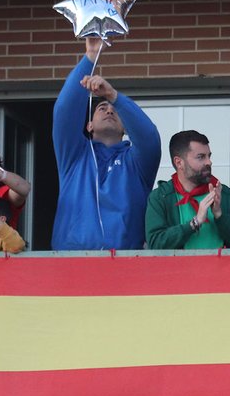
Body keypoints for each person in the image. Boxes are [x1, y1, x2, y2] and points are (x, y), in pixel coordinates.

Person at [50, 37, 161, 250]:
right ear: (89, 125)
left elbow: (149, 137)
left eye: (114, 110)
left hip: (124, 263)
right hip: (70, 262)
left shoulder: (136, 162)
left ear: (125, 128)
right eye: (102, 108)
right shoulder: (74, 155)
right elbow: (64, 111)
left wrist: (113, 95)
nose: (110, 110)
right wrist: (90, 57)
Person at [145, 130, 230, 250]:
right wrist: (194, 224)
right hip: (178, 269)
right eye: (201, 157)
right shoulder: (161, 197)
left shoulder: (223, 195)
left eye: (209, 156)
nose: (209, 162)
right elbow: (155, 244)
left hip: (220, 268)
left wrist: (220, 216)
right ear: (179, 162)